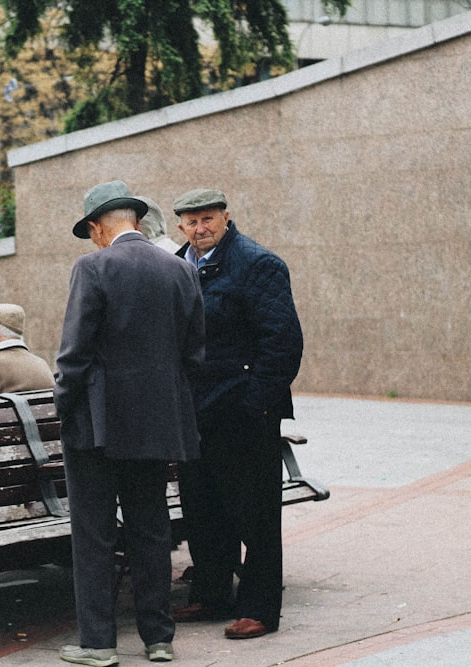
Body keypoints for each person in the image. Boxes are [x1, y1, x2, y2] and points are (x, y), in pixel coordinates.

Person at [54, 180, 206, 666]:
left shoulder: (92, 266)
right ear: (136, 220)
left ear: (99, 227)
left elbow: (73, 356)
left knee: (94, 535)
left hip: (97, 428)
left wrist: (64, 407)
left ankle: (98, 645)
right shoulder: (182, 270)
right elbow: (194, 354)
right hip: (158, 425)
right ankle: (158, 639)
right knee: (151, 531)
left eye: (91, 231)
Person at [170, 188, 303, 640]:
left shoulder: (258, 263)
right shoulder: (177, 265)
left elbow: (283, 343)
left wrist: (255, 406)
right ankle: (211, 594)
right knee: (202, 509)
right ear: (180, 226)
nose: (200, 228)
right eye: (191, 221)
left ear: (227, 216)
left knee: (256, 516)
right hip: (194, 413)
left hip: (244, 414)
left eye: (209, 218)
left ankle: (261, 609)